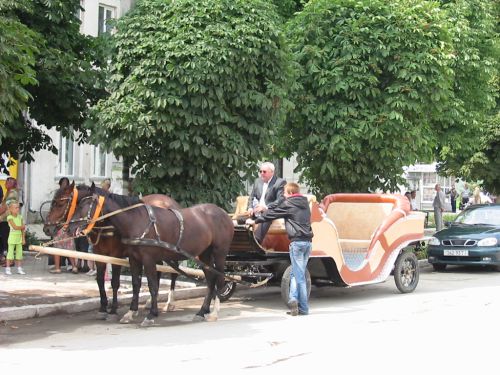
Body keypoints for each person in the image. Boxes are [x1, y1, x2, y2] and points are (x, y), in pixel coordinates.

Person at [246, 182, 313, 316]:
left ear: (291, 193)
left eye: (285, 194)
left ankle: (302, 307)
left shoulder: (289, 204)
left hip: (297, 243)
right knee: (296, 273)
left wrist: (255, 221)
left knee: (299, 277)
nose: (284, 196)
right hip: (308, 243)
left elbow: (272, 214)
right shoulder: (305, 204)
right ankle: (294, 300)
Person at [246, 162, 286, 243]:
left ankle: (256, 242)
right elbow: (251, 197)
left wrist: (265, 208)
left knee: (266, 217)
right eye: (260, 171)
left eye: (264, 172)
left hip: (270, 212)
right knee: (239, 220)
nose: (261, 174)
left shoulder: (279, 182)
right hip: (255, 212)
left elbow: (280, 200)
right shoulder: (257, 181)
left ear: (272, 172)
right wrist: (250, 207)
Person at [49, 177, 78, 274]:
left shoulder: (71, 195)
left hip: (67, 224)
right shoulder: (59, 194)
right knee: (58, 246)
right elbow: (54, 208)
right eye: (63, 184)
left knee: (70, 246)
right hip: (58, 224)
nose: (64, 186)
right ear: (60, 184)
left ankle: (73, 266)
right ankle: (58, 268)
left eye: (66, 184)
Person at [0, 177, 20, 264]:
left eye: (8, 182)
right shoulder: (9, 192)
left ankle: (10, 261)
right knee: (5, 240)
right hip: (5, 220)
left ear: (12, 184)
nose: (6, 183)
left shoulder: (12, 193)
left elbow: (5, 207)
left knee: (7, 241)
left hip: (7, 220)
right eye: (6, 182)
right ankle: (6, 259)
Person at [4, 201, 26, 275]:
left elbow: (23, 229)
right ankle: (8, 268)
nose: (17, 209)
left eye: (18, 208)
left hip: (19, 238)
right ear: (10, 209)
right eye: (16, 208)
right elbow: (15, 227)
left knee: (19, 254)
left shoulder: (20, 217)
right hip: (12, 238)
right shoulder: (9, 217)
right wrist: (22, 227)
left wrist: (23, 238)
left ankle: (19, 269)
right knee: (10, 254)